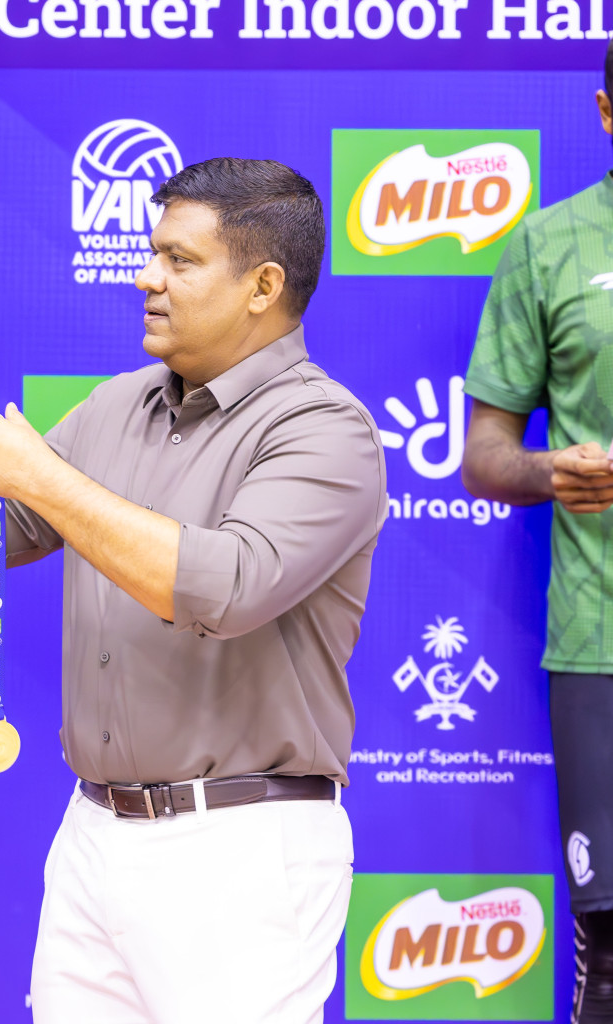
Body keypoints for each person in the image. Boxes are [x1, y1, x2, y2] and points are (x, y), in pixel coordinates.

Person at [0, 158, 385, 1023]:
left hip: (241, 846)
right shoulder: (117, 405)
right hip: (93, 833)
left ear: (262, 286)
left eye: (179, 260)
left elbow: (228, 587)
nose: (146, 277)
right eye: (151, 253)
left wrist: (43, 479)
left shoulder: (326, 428)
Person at [461, 42, 613, 1024]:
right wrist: (549, 472)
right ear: (605, 111)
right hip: (600, 646)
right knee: (608, 960)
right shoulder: (550, 244)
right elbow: (483, 457)